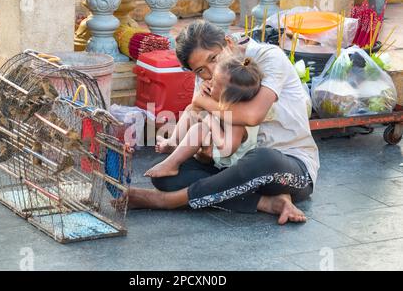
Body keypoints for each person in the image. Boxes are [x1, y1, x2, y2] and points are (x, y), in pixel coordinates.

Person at [125, 20, 320, 225]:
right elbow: (198, 114)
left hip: (287, 167)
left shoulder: (269, 57)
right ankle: (266, 202)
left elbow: (252, 115)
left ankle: (167, 201)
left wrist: (201, 102)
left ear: (228, 43)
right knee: (165, 176)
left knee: (262, 159)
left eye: (214, 58)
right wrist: (203, 151)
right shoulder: (210, 77)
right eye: (201, 70)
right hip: (234, 166)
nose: (211, 70)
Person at [144, 56, 263, 178]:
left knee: (200, 128)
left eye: (214, 82)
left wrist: (211, 122)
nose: (209, 82)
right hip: (214, 150)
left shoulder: (237, 121)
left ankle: (171, 163)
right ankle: (173, 142)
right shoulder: (225, 106)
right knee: (191, 111)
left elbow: (227, 149)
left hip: (230, 164)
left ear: (226, 95)